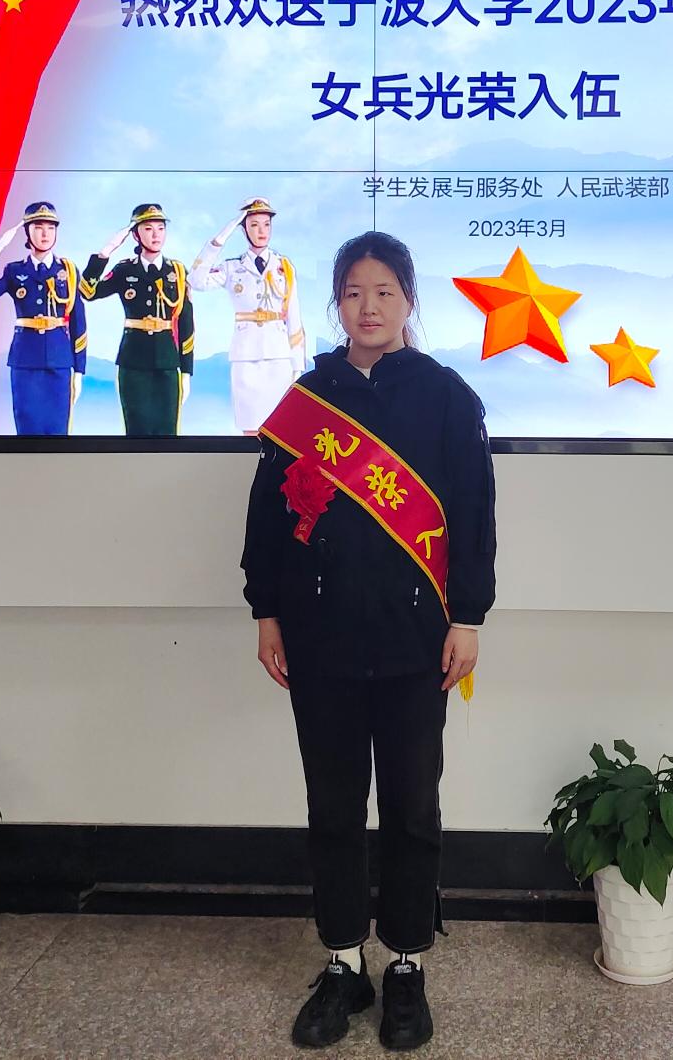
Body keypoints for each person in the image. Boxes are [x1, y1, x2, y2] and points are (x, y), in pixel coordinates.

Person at [240, 232, 495, 1053]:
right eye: (353, 292)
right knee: (334, 806)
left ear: (409, 299)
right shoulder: (308, 399)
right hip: (319, 639)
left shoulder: (447, 397)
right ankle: (345, 961)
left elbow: (475, 516)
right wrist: (266, 610)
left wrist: (468, 616)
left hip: (419, 642)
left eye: (385, 291)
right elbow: (268, 515)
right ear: (336, 304)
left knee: (414, 808)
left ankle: (407, 963)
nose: (369, 306)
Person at [189, 197, 307, 432]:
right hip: (246, 356)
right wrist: (222, 237)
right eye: (254, 225)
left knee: (281, 429)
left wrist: (297, 365)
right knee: (250, 428)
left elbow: (294, 315)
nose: (262, 231)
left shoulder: (284, 267)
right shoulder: (232, 267)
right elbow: (196, 280)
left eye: (266, 224)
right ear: (243, 229)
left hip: (279, 355)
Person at [0, 202, 87, 435]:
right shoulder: (15, 271)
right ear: (27, 232)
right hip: (25, 361)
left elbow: (78, 322)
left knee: (58, 431)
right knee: (27, 429)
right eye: (38, 227)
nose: (45, 234)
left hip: (59, 361)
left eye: (51, 228)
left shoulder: (69, 271)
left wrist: (79, 370)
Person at [80, 203, 194, 436]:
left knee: (167, 434)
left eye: (161, 228)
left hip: (167, 362)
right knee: (136, 433)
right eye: (148, 229)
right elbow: (88, 292)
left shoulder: (177, 271)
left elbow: (186, 323)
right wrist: (105, 253)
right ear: (135, 235)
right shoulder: (124, 270)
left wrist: (186, 370)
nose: (156, 235)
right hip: (133, 362)